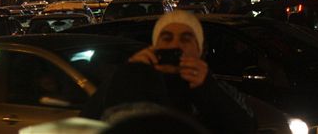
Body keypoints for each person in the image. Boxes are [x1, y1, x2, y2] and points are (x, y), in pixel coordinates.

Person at [81, 11, 256, 133]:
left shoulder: (220, 89)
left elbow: (244, 128)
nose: (175, 45)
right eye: (167, 39)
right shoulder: (134, 84)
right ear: (155, 46)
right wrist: (129, 74)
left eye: (185, 39)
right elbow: (88, 124)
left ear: (200, 50)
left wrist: (207, 88)